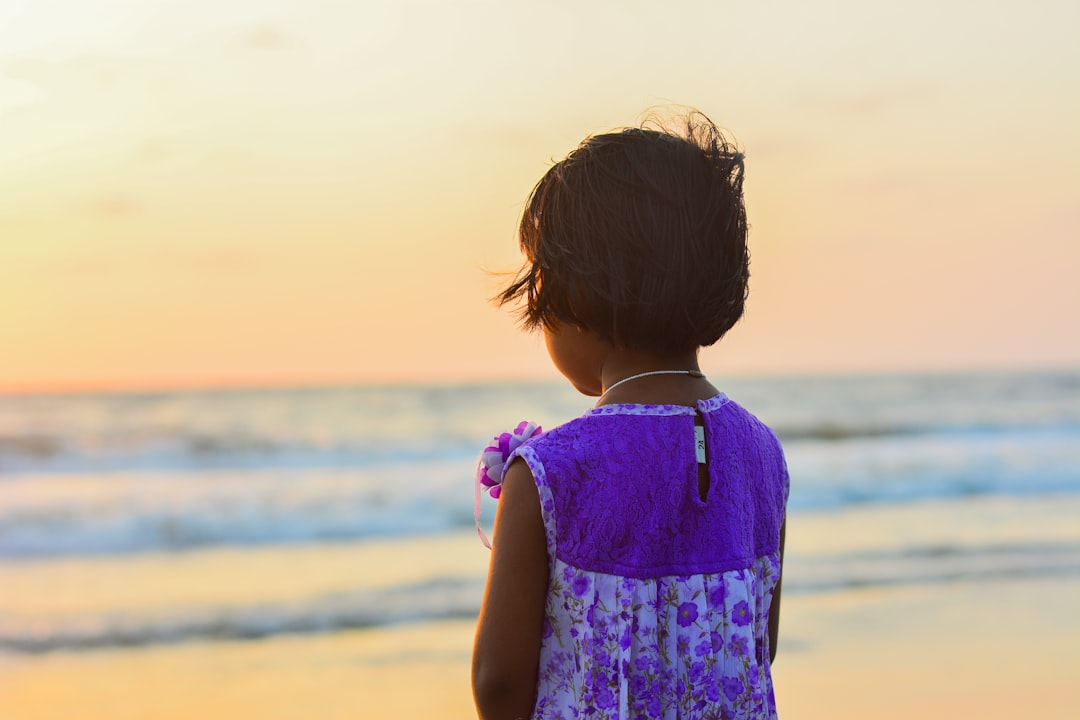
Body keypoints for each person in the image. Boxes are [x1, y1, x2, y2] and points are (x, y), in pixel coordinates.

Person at [472, 111, 789, 720]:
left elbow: (499, 683)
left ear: (577, 296)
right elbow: (757, 647)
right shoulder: (762, 453)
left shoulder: (548, 472)